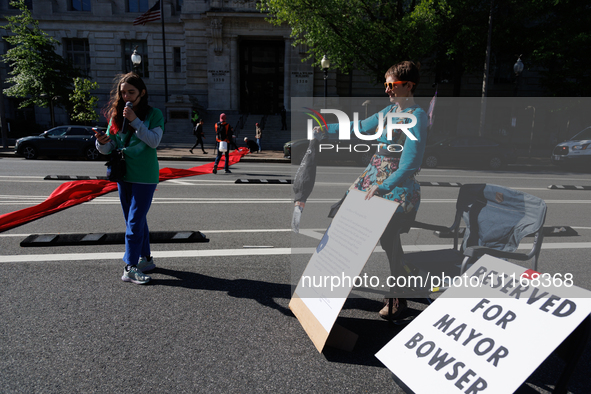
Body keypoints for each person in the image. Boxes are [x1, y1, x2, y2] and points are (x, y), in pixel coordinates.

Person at [320, 61, 428, 319]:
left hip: (395, 187)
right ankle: (330, 288)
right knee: (349, 226)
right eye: (386, 85)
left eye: (391, 85)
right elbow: (359, 127)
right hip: (372, 179)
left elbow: (411, 163)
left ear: (409, 86)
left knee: (389, 241)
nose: (387, 91)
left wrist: (384, 187)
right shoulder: (388, 112)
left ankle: (400, 298)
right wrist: (325, 129)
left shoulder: (418, 117)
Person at [95, 72, 164, 285]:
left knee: (134, 221)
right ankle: (146, 259)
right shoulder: (116, 115)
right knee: (133, 220)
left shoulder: (154, 114)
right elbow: (110, 148)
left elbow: (154, 141)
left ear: (142, 93)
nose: (126, 96)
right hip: (123, 173)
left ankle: (130, 267)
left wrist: (135, 122)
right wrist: (102, 142)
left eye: (131, 92)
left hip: (145, 175)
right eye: (123, 92)